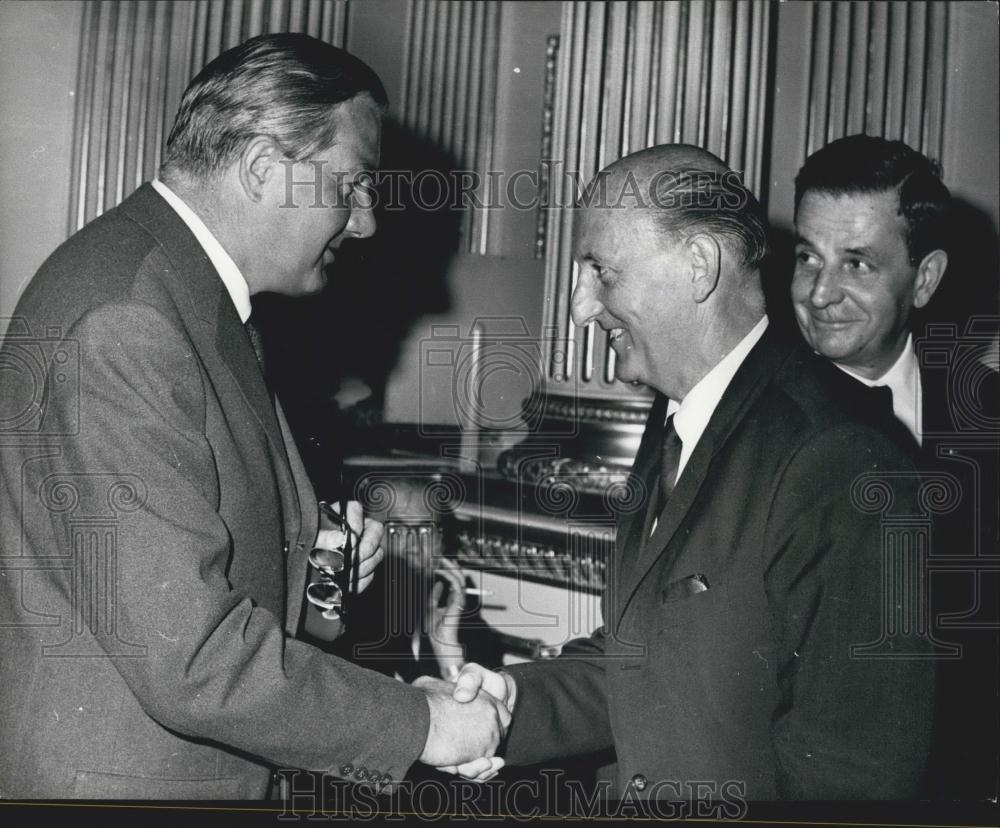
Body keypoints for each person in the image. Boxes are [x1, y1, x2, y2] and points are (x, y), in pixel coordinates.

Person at [0, 33, 507, 800]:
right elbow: (192, 655)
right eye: (353, 185)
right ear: (265, 168)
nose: (365, 222)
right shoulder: (130, 317)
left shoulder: (183, 292)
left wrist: (319, 572)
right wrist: (423, 724)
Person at [437, 144, 936, 800]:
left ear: (698, 267)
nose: (581, 307)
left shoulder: (840, 455)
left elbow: (854, 775)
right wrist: (506, 704)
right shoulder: (681, 413)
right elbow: (655, 657)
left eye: (602, 272)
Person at [791, 135, 999, 799]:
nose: (820, 292)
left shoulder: (984, 416)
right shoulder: (740, 416)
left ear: (926, 278)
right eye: (807, 257)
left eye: (856, 263)